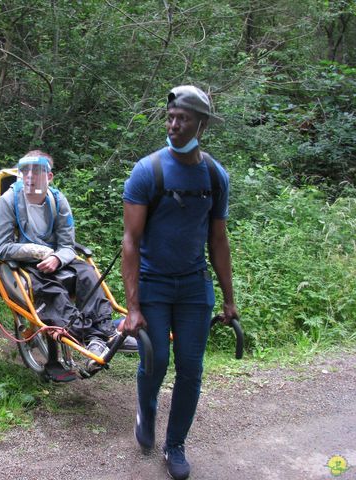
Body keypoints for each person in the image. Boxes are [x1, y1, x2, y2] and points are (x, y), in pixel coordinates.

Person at [121, 85, 239, 480]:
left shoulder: (214, 175)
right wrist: (132, 306)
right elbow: (130, 242)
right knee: (155, 363)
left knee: (191, 369)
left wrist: (229, 299)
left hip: (193, 287)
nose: (173, 125)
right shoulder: (147, 171)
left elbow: (218, 240)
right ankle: (146, 413)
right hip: (153, 284)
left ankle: (175, 446)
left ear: (201, 125)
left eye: (183, 118)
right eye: (170, 117)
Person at [0, 150, 137, 378]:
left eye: (37, 171)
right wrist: (38, 252)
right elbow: (1, 247)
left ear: (49, 177)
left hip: (56, 258)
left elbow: (68, 245)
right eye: (26, 171)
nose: (30, 177)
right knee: (51, 290)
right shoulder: (8, 201)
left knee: (88, 272)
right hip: (24, 264)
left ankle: (104, 332)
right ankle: (89, 336)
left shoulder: (58, 201)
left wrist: (57, 258)